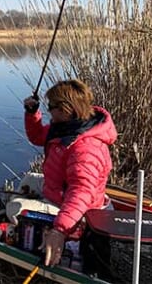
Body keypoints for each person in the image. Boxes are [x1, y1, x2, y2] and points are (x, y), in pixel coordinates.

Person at [22, 79, 117, 266]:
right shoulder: (66, 128)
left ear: (65, 109)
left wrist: (60, 230)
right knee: (28, 181)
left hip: (80, 208)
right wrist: (32, 113)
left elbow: (80, 193)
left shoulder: (86, 148)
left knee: (15, 208)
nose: (48, 110)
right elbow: (38, 136)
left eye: (51, 106)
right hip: (59, 190)